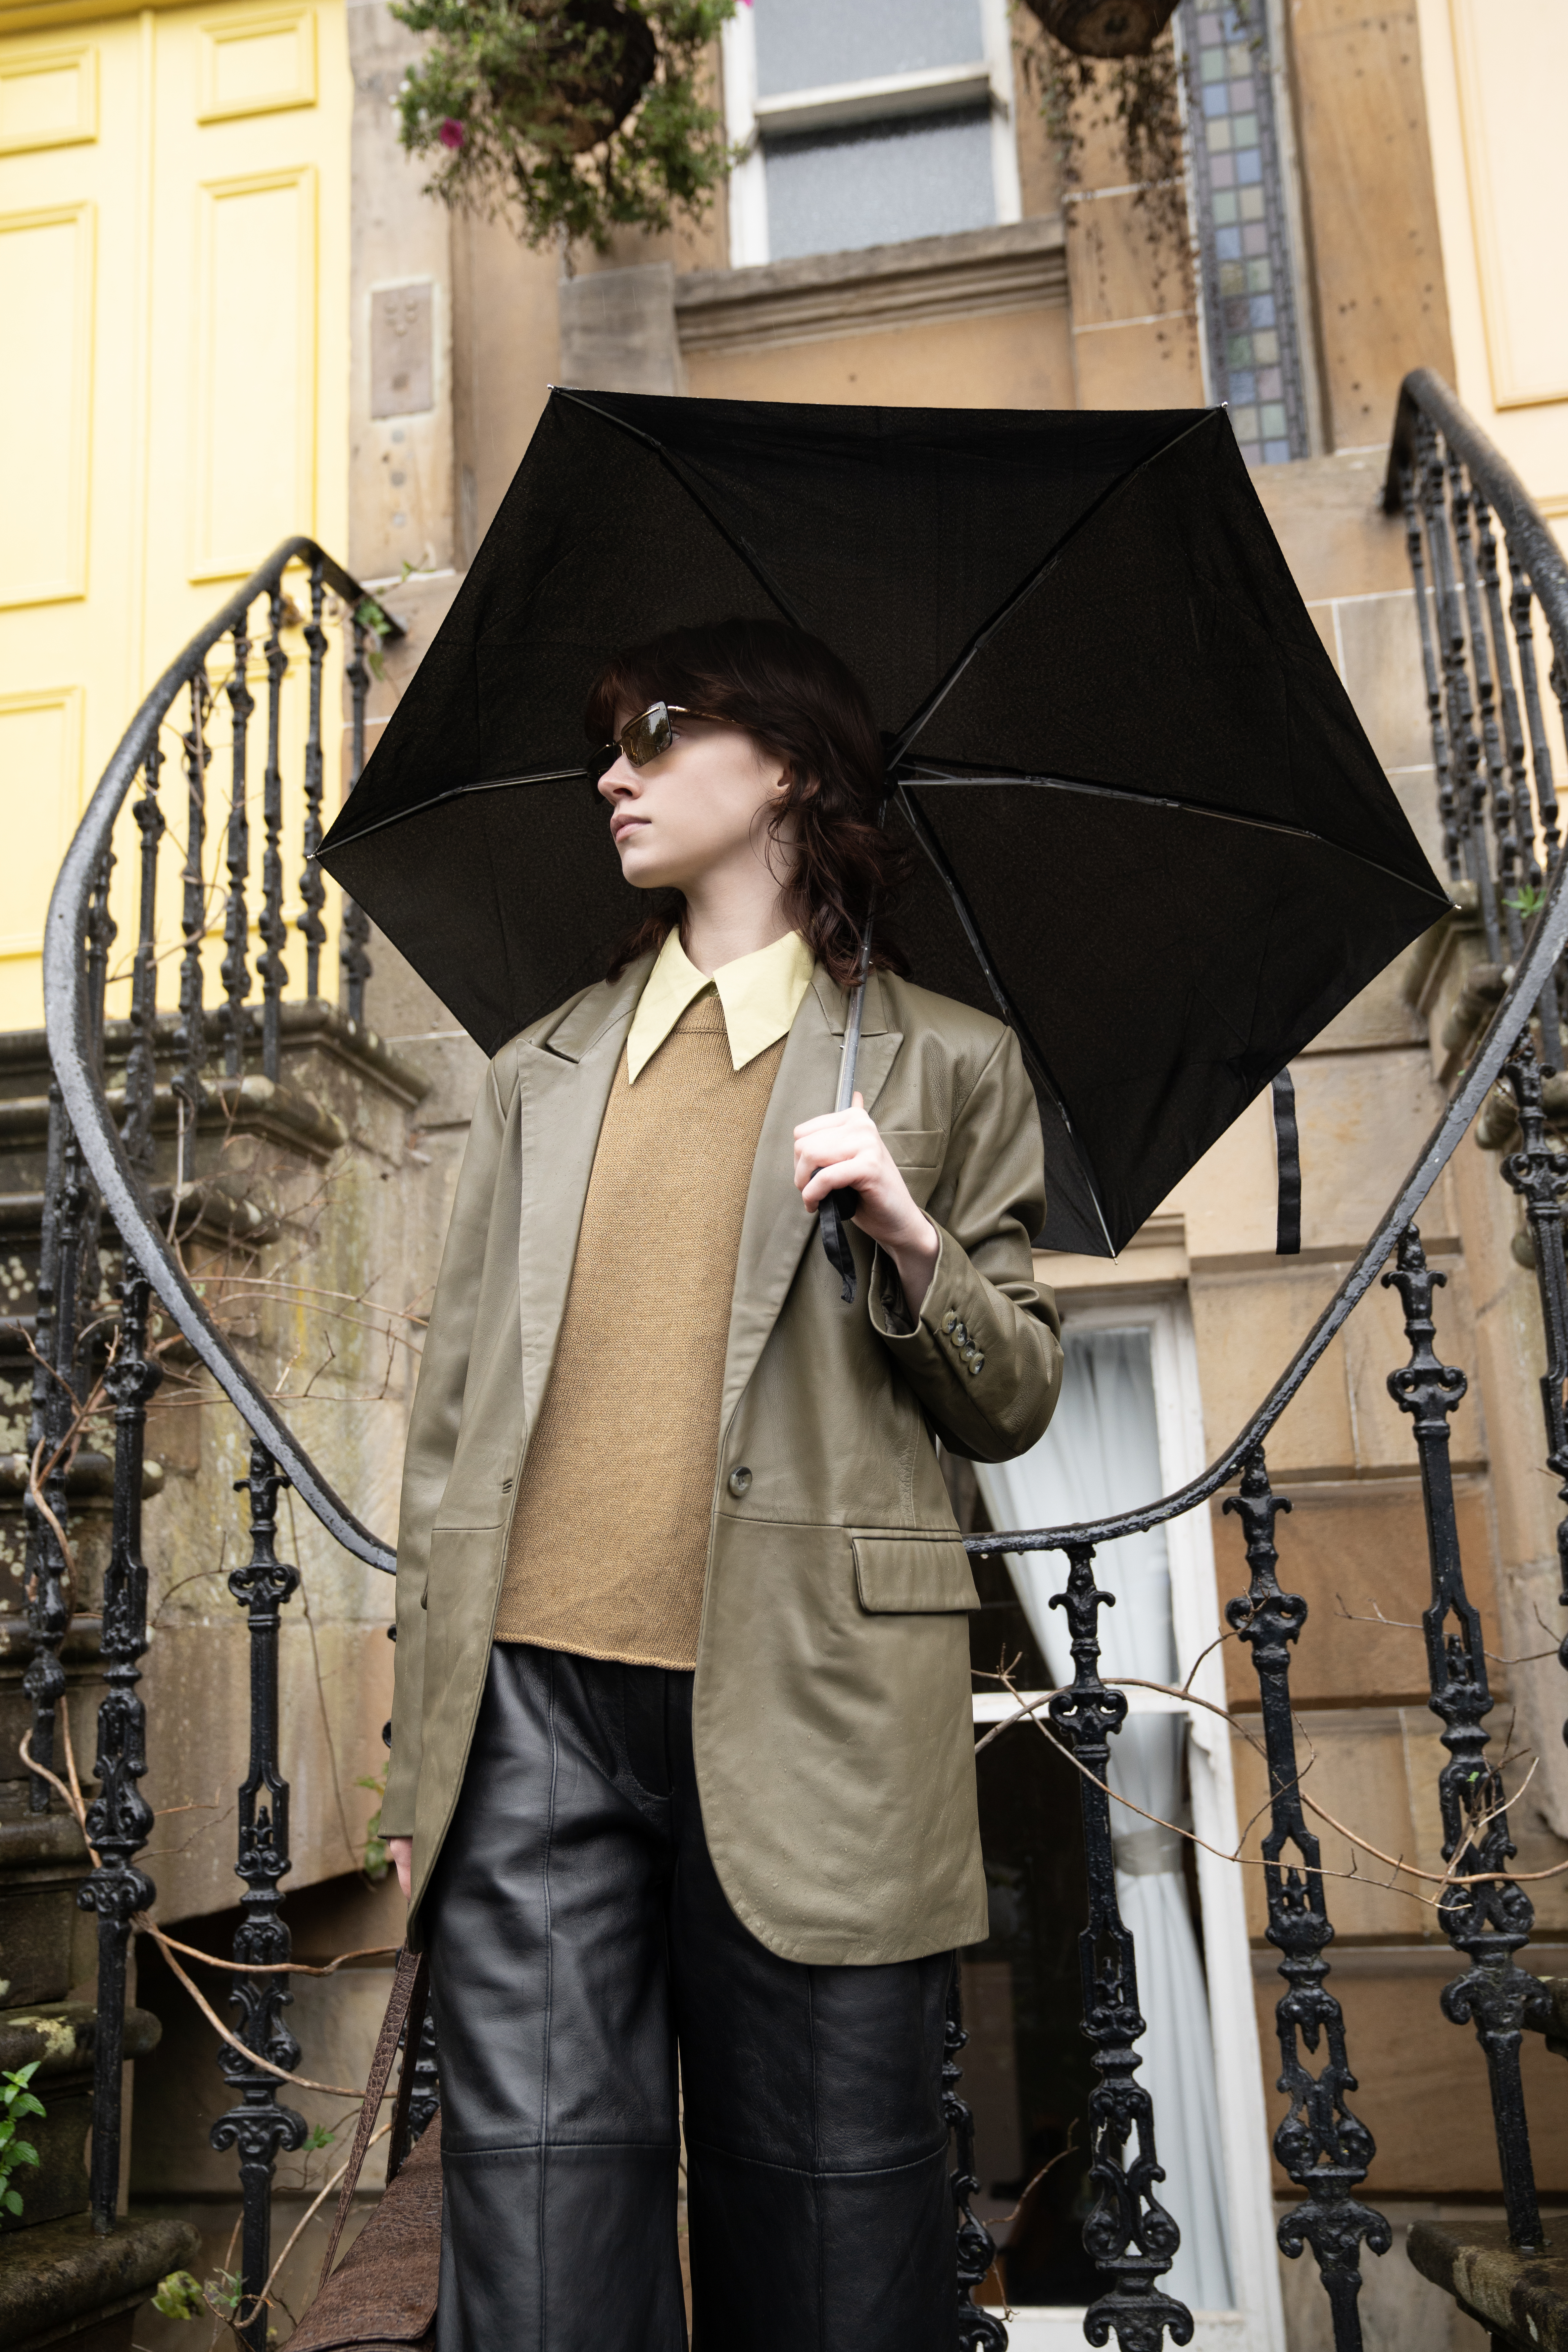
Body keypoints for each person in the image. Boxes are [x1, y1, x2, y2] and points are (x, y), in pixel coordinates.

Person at [379, 617, 1063, 2351]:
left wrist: (910, 1240)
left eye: (661, 733)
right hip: (533, 1715)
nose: (614, 772)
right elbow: (453, 1427)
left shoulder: (945, 1068)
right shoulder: (536, 1073)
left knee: (832, 2248)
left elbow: (1018, 1397)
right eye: (609, 740)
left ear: (790, 773)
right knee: (536, 2261)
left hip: (813, 1710)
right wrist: (420, 1759)